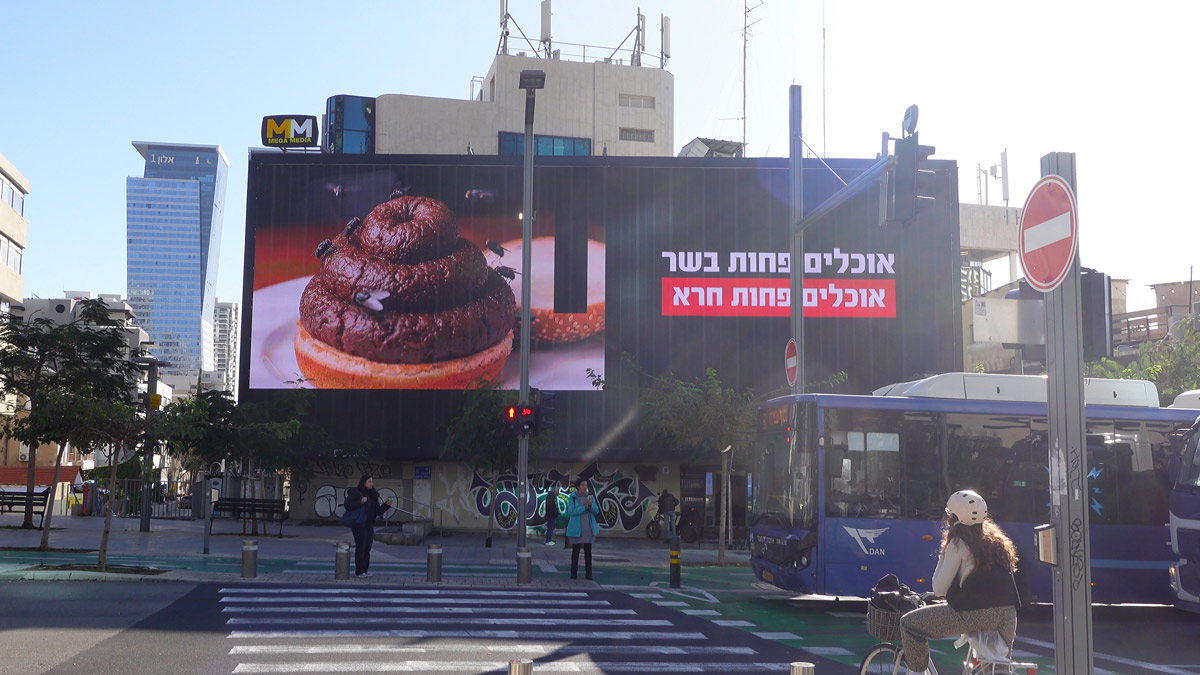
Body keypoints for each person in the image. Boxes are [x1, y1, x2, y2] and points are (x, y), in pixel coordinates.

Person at [899, 489, 1021, 674]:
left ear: (954, 517)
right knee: (996, 669)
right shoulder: (997, 542)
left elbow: (939, 588)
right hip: (1007, 616)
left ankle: (916, 672)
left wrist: (944, 552)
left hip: (974, 614)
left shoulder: (958, 543)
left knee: (909, 624)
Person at [343, 474, 393, 578]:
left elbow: (377, 511)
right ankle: (359, 571)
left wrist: (386, 505)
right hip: (359, 524)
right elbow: (347, 504)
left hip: (369, 523)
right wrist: (360, 502)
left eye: (372, 481)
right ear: (364, 482)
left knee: (367, 547)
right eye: (369, 481)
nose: (371, 483)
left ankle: (365, 569)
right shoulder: (357, 493)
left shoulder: (373, 494)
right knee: (360, 547)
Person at [566, 477, 600, 580]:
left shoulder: (590, 497)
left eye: (586, 485)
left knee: (588, 552)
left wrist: (590, 505)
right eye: (583, 485)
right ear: (578, 486)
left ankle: (589, 574)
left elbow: (596, 511)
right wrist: (584, 508)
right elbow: (571, 511)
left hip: (588, 528)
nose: (585, 487)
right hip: (577, 529)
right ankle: (573, 573)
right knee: (575, 552)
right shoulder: (573, 497)